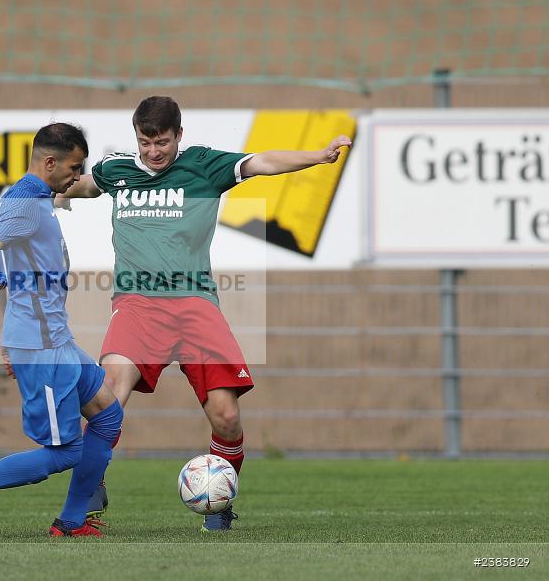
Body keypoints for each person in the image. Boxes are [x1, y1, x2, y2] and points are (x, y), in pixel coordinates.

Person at [56, 96, 352, 531]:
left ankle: (221, 500)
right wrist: (49, 193)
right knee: (106, 401)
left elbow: (263, 162)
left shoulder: (203, 166)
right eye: (145, 142)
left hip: (195, 304)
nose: (153, 152)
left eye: (162, 142)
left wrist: (319, 156)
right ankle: (89, 490)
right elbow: (81, 185)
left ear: (179, 135)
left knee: (227, 418)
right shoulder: (116, 170)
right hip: (136, 305)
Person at [0, 122, 123, 540]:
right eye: (74, 168)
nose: (77, 175)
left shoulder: (35, 199)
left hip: (55, 341)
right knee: (66, 451)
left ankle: (71, 523)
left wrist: (3, 340)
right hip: (41, 349)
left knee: (109, 417)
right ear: (50, 163)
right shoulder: (24, 206)